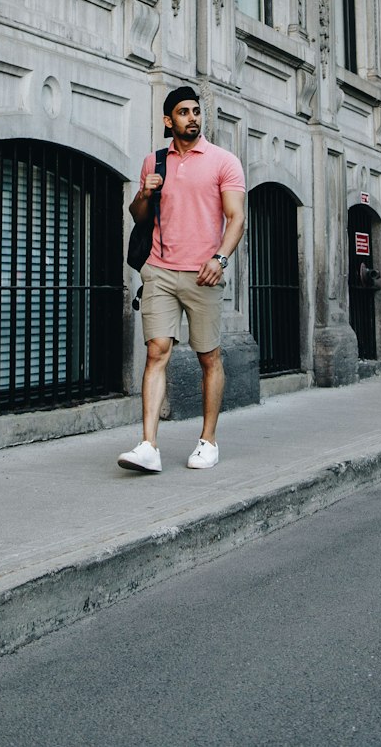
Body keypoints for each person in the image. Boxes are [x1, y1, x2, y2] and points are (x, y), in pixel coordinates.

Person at [118, 85, 245, 474]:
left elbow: (236, 218)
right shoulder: (154, 161)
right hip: (158, 269)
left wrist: (220, 259)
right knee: (157, 351)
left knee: (209, 356)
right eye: (184, 112)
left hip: (204, 274)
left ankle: (208, 441)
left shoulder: (224, 161)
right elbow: (139, 214)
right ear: (168, 120)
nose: (192, 117)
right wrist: (144, 191)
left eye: (196, 111)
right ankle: (148, 445)